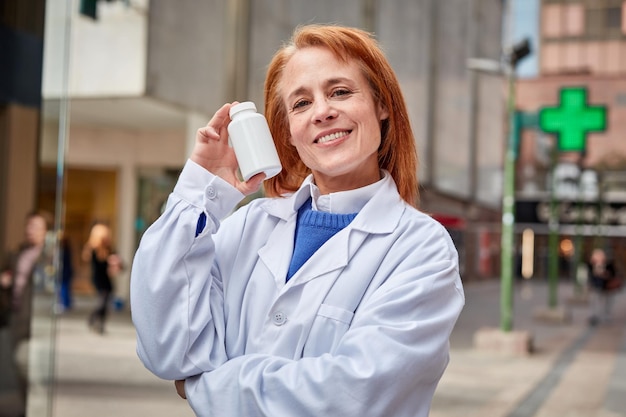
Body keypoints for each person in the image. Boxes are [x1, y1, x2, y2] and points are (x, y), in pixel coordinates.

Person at [131, 24, 464, 417]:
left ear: (382, 105)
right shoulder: (244, 228)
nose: (322, 112)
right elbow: (168, 348)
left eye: (340, 91)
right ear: (287, 132)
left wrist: (205, 386)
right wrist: (199, 195)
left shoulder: (422, 248)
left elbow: (351, 396)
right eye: (301, 103)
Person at [0, 211, 52, 415]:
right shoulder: (18, 253)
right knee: (16, 366)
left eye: (37, 227)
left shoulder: (48, 258)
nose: (31, 231)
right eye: (29, 226)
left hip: (35, 320)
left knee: (26, 366)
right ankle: (24, 407)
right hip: (15, 316)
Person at [82, 223, 115, 334]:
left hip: (107, 280)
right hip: (99, 279)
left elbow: (119, 261)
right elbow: (99, 265)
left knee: (105, 304)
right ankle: (92, 320)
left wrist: (115, 264)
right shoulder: (93, 249)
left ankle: (100, 325)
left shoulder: (109, 248)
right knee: (102, 303)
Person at [587, 248, 621, 325]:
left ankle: (606, 316)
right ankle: (594, 316)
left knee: (607, 302)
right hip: (596, 286)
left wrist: (605, 274)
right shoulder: (591, 265)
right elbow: (589, 276)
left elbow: (613, 274)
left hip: (608, 287)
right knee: (595, 301)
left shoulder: (609, 265)